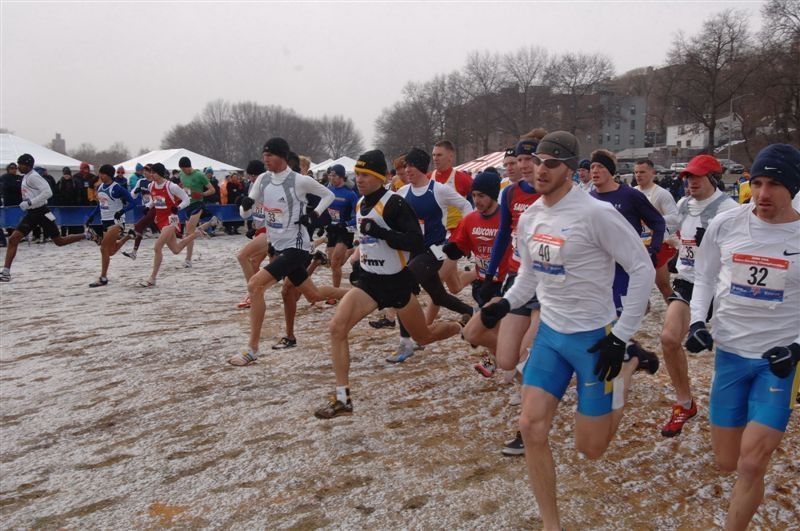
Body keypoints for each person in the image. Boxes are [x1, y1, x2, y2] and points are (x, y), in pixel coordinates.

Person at [478, 132, 658, 529]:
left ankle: (627, 368)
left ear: (570, 170)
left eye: (551, 163)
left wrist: (620, 336)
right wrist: (506, 304)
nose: (540, 170)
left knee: (590, 449)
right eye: (537, 161)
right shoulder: (531, 216)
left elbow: (642, 268)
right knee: (530, 426)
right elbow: (529, 273)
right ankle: (550, 523)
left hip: (596, 340)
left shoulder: (596, 214)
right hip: (551, 336)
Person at [683, 144, 800, 530]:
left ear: (794, 187)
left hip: (776, 363)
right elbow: (703, 277)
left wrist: (797, 348)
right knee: (727, 461)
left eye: (775, 185)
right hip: (731, 355)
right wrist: (698, 321)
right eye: (758, 182)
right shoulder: (727, 224)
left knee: (751, 463)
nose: (763, 194)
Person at [314, 149, 462, 418]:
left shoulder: (395, 203)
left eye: (366, 175)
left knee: (423, 336)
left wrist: (381, 232)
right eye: (357, 174)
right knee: (336, 328)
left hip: (397, 284)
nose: (359, 179)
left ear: (380, 177)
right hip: (370, 283)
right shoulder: (360, 204)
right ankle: (342, 398)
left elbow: (416, 242)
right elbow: (368, 240)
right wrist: (358, 261)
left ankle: (458, 326)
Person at [228, 138, 348, 366]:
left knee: (255, 285)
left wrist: (313, 215)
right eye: (264, 155)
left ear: (282, 156)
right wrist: (243, 204)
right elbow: (245, 214)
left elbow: (328, 195)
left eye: (270, 155)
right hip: (277, 245)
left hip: (298, 247)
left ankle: (252, 349)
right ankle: (361, 294)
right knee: (313, 294)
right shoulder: (262, 180)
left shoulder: (299, 181)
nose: (265, 159)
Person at [659, 154, 738, 437]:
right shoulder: (683, 205)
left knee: (725, 352)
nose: (690, 182)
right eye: (687, 177)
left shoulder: (728, 209)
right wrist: (674, 241)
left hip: (722, 287)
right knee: (669, 339)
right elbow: (675, 231)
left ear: (712, 178)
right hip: (690, 281)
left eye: (697, 177)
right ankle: (684, 403)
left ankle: (727, 409)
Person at [389, 147, 473, 363]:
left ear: (421, 168)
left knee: (402, 286)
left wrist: (462, 235)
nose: (407, 170)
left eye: (411, 166)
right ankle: (471, 311)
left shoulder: (438, 190)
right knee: (439, 296)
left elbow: (465, 206)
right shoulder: (402, 193)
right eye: (405, 166)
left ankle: (406, 343)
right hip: (413, 252)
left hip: (434, 252)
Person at [442, 171, 506, 376]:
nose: (476, 200)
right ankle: (498, 358)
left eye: (482, 196)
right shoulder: (470, 220)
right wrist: (449, 250)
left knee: (487, 328)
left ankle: (511, 357)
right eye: (474, 195)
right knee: (488, 329)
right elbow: (457, 246)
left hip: (505, 283)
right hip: (483, 282)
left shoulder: (506, 218)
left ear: (493, 196)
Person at [589, 149, 666, 317]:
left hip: (625, 268)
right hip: (598, 269)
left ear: (610, 170)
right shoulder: (588, 198)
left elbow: (658, 222)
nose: (594, 170)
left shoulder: (630, 195)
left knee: (620, 319)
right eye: (592, 166)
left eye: (600, 166)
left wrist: (653, 250)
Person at [0, 154, 93, 282]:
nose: (17, 166)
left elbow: (48, 192)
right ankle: (6, 272)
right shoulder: (26, 176)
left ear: (26, 165)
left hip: (42, 212)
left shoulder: (33, 176)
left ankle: (86, 235)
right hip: (32, 214)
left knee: (59, 241)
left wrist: (30, 202)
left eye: (19, 164)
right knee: (13, 239)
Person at [136, 163, 219, 288]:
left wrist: (178, 207)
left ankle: (152, 278)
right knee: (176, 250)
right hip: (160, 220)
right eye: (151, 172)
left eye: (154, 173)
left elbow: (186, 198)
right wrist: (148, 207)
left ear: (160, 173)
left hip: (171, 220)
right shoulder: (151, 185)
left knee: (157, 247)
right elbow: (154, 199)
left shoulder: (171, 186)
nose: (151, 175)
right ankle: (196, 233)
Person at [634, 158, 679, 300]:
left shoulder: (661, 194)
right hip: (637, 246)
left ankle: (677, 313)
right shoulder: (632, 192)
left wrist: (652, 220)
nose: (638, 175)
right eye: (635, 172)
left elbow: (675, 218)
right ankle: (640, 311)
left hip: (657, 245)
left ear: (652, 172)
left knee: (663, 285)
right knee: (636, 286)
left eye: (642, 172)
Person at [83, 164, 135, 287]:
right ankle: (129, 236)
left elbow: (132, 203)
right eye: (100, 173)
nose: (100, 175)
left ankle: (103, 278)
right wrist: (91, 216)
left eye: (102, 173)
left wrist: (121, 211)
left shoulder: (117, 188)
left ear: (109, 175)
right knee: (110, 252)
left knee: (103, 248)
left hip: (116, 222)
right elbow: (100, 205)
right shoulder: (100, 187)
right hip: (105, 221)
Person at [236, 160, 270, 309]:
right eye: (250, 176)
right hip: (260, 230)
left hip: (272, 231)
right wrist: (243, 206)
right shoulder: (251, 186)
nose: (251, 179)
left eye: (253, 176)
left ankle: (253, 292)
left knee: (242, 256)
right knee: (254, 263)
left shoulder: (270, 186)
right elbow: (246, 214)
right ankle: (255, 292)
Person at [324, 164, 359, 293]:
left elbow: (357, 216)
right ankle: (350, 252)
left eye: (334, 176)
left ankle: (335, 293)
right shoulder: (327, 190)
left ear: (342, 177)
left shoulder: (351, 194)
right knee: (333, 264)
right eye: (330, 175)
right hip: (332, 230)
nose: (331, 178)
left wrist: (345, 224)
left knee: (334, 263)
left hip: (345, 231)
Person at [178, 157, 216, 268]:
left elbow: (212, 190)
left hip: (198, 204)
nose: (183, 171)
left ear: (188, 167)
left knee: (189, 233)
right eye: (181, 170)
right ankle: (208, 224)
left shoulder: (199, 175)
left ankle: (188, 260)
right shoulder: (181, 174)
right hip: (187, 205)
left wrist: (202, 194)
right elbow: (185, 188)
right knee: (189, 233)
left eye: (184, 169)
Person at [430, 140, 473, 229]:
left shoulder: (463, 178)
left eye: (439, 155)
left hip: (455, 234)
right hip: (434, 233)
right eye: (433, 155)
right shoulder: (428, 178)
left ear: (450, 156)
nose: (435, 158)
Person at [122, 164, 158, 261]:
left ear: (152, 172)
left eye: (148, 170)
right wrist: (134, 192)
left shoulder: (156, 183)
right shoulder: (141, 182)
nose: (145, 172)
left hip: (156, 208)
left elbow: (158, 199)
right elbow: (132, 196)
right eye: (144, 170)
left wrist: (149, 205)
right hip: (147, 209)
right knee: (141, 229)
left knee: (138, 226)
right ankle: (134, 253)